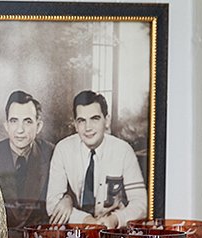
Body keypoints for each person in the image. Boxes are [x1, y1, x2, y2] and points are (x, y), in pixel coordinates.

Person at [45, 90, 147, 228]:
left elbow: (140, 203)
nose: (88, 128)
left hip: (113, 231)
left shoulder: (123, 151)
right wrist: (86, 220)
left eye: (95, 119)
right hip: (76, 231)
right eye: (82, 121)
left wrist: (116, 219)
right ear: (75, 124)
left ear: (107, 120)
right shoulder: (63, 149)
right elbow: (52, 203)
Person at [0, 91, 55, 238]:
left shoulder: (53, 154)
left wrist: (67, 199)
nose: (20, 130)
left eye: (27, 121)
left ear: (39, 125)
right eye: (14, 121)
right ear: (6, 125)